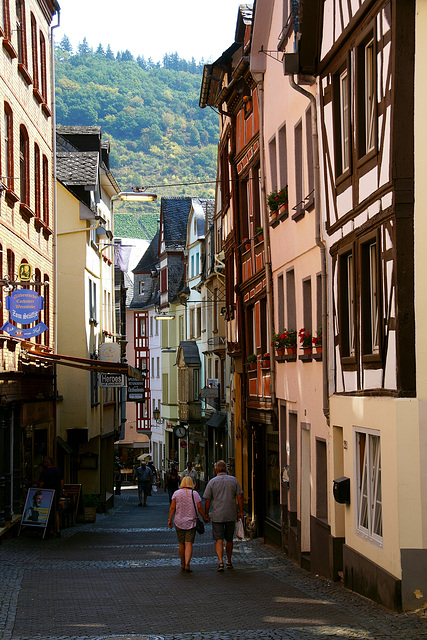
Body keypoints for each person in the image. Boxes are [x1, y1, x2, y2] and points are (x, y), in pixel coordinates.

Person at [203, 459, 244, 572]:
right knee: (229, 539)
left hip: (217, 515)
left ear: (216, 470)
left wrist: (206, 514)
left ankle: (220, 562)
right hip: (231, 514)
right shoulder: (233, 480)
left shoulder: (212, 482)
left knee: (219, 539)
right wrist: (240, 511)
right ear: (226, 469)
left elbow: (207, 500)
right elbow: (240, 496)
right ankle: (229, 561)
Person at [168, 475, 208, 573]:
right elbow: (199, 507)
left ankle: (182, 563)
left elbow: (172, 507)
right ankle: (187, 564)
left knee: (181, 543)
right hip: (191, 522)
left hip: (179, 521)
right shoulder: (195, 494)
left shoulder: (176, 494)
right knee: (189, 543)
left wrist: (170, 519)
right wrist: (205, 517)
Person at [38, 457, 64, 537]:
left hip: (47, 493)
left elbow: (41, 484)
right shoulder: (58, 470)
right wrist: (60, 491)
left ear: (47, 463)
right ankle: (58, 530)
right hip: (56, 492)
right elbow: (62, 482)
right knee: (55, 511)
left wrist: (36, 482)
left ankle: (50, 530)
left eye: (44, 462)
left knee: (47, 511)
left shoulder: (45, 472)